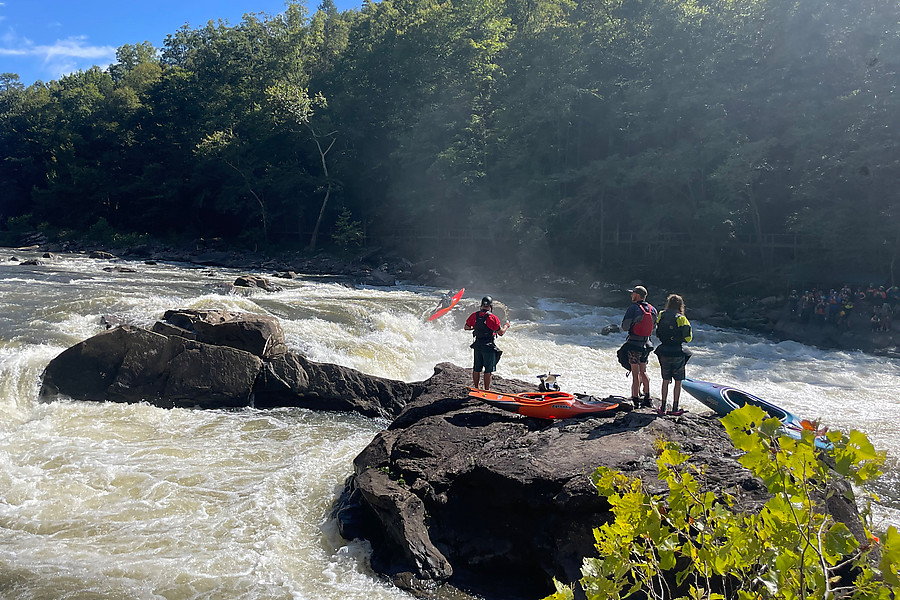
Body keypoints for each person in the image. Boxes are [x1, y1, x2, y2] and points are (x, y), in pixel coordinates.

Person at [654, 294, 692, 416]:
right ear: (681, 305)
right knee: (678, 381)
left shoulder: (661, 315)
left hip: (663, 351)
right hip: (677, 352)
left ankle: (663, 407)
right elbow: (688, 338)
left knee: (665, 380)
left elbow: (657, 332)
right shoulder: (681, 318)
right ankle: (675, 408)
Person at [620, 286, 658, 408]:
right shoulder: (653, 309)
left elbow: (625, 327)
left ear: (638, 295)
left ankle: (635, 399)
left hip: (634, 345)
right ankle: (648, 397)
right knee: (643, 371)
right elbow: (654, 327)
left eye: (633, 294)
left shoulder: (633, 309)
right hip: (646, 345)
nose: (631, 295)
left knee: (635, 373)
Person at [464, 296, 510, 390]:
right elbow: (500, 333)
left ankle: (476, 387)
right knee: (488, 370)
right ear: (491, 306)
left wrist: (475, 327)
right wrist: (506, 326)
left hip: (477, 345)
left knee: (476, 368)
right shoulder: (493, 318)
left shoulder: (474, 315)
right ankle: (486, 390)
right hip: (488, 346)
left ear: (481, 305)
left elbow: (466, 327)